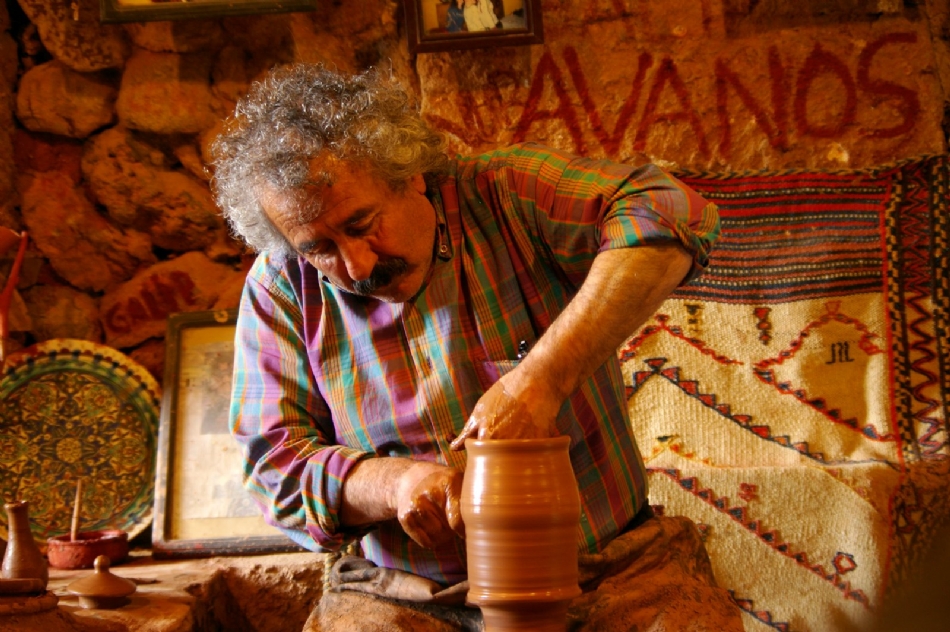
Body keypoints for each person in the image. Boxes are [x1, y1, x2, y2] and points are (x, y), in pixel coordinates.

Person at [211, 63, 744, 631]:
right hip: (406, 594)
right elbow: (272, 468)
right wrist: (395, 485)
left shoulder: (508, 194)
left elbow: (669, 209)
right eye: (319, 248)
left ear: (412, 176)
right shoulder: (281, 287)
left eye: (363, 224)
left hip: (610, 568)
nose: (358, 266)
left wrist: (543, 378)